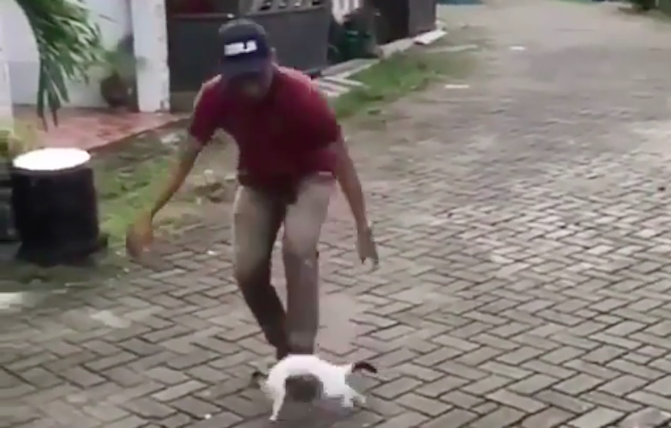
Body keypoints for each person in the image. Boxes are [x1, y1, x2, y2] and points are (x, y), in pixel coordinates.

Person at [126, 19, 378, 364]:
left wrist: (363, 226)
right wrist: (148, 214)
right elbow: (185, 158)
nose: (249, 88)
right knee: (246, 269)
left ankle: (302, 357)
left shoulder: (302, 96)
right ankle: (282, 343)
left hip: (310, 177)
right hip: (258, 181)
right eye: (240, 79)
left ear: (272, 59)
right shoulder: (214, 96)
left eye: (256, 76)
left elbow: (343, 162)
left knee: (298, 247)